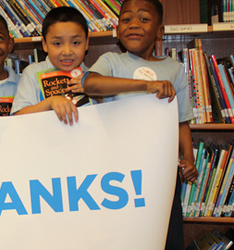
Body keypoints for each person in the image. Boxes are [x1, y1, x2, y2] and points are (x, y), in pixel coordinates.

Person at [81, 0, 199, 249]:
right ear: (117, 29)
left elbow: (181, 120)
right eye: (126, 19)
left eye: (144, 19)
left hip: (160, 172)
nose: (133, 24)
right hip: (117, 172)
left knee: (166, 236)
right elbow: (90, 85)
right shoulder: (111, 60)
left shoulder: (174, 69)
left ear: (160, 31)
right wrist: (147, 87)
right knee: (122, 237)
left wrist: (188, 157)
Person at [10, 6, 92, 126]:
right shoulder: (32, 72)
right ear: (45, 44)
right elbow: (18, 118)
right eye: (57, 43)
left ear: (86, 43)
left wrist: (94, 93)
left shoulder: (93, 76)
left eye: (75, 43)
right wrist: (51, 102)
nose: (67, 51)